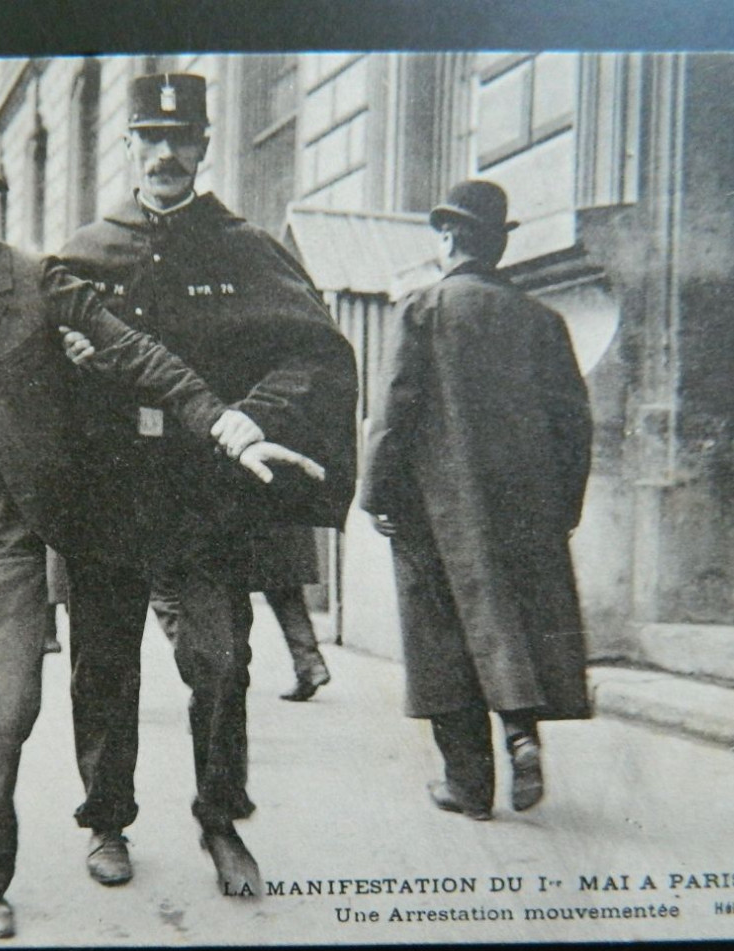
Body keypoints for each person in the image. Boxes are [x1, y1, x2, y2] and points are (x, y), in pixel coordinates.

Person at [0, 116, 312, 940]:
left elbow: (142, 357)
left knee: (10, 714)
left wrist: (229, 423)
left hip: (16, 524)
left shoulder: (42, 279)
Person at [58, 73, 357, 894]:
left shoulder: (246, 250)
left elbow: (317, 351)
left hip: (205, 497)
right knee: (105, 666)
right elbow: (29, 368)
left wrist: (254, 416)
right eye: (149, 138)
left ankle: (220, 818)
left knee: (220, 660)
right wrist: (72, 367)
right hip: (111, 495)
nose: (164, 154)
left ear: (203, 146)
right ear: (128, 146)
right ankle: (108, 820)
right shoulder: (84, 253)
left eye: (179, 139)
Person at [360, 179, 593, 821]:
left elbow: (394, 410)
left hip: (435, 509)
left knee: (441, 639)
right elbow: (574, 422)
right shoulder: (545, 322)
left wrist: (376, 493)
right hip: (526, 510)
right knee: (510, 622)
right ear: (496, 244)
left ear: (449, 238)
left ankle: (467, 785)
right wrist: (562, 507)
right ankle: (522, 734)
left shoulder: (423, 309)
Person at [148, 526, 331, 702]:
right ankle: (309, 663)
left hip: (243, 534)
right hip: (281, 528)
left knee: (231, 598)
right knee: (284, 592)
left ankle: (219, 675)